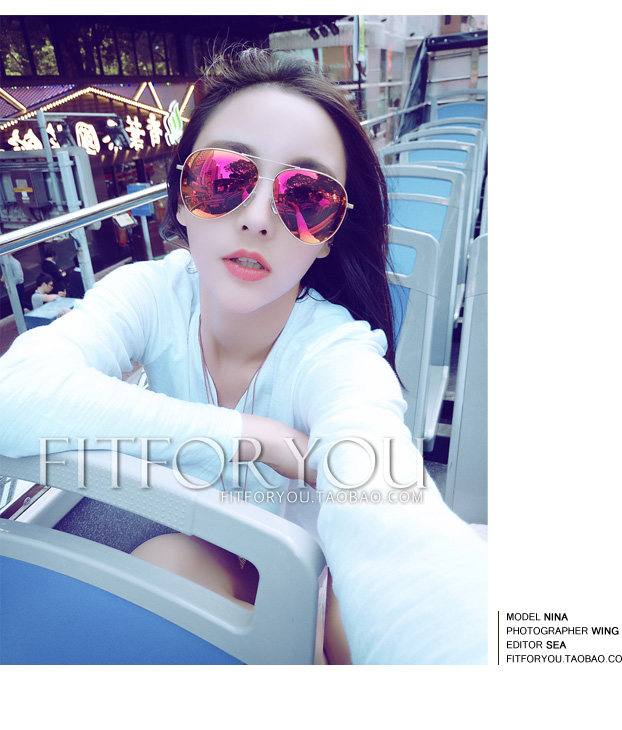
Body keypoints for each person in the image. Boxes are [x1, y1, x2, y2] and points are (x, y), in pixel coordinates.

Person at [0, 46, 487, 664]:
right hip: (223, 546)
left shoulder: (336, 350)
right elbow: (15, 393)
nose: (258, 219)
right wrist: (255, 438)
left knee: (346, 631)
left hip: (330, 571)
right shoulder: (153, 292)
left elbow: (389, 507)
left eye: (307, 198)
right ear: (181, 198)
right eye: (224, 178)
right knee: (164, 565)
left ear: (329, 238)